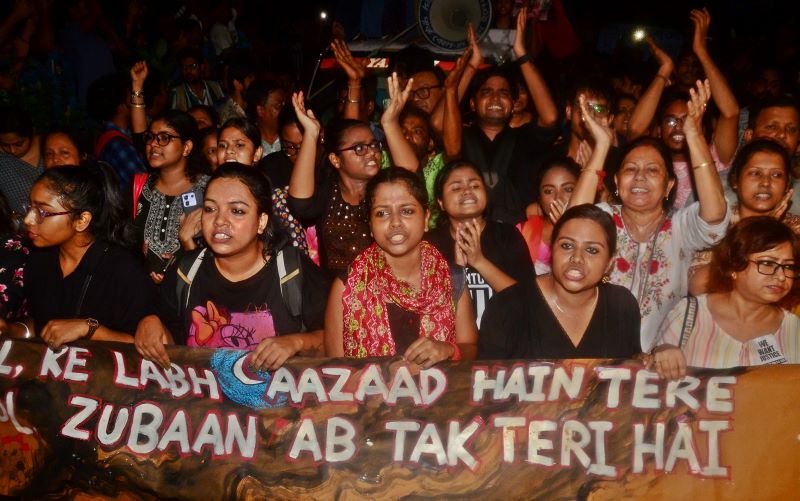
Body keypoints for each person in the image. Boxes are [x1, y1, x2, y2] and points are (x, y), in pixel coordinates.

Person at [569, 80, 730, 351]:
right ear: (617, 183)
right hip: (597, 356)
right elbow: (573, 222)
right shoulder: (604, 218)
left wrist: (694, 135)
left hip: (664, 362)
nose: (640, 176)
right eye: (631, 169)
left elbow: (714, 215)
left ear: (669, 186)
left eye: (652, 171)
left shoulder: (680, 225)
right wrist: (602, 146)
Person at [134, 164, 328, 370]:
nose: (219, 221)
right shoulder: (185, 271)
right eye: (210, 209)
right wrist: (150, 324)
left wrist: (296, 343)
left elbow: (335, 341)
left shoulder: (291, 270)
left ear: (261, 221)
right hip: (205, 399)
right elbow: (172, 350)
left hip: (278, 400)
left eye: (236, 211)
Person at [324, 167, 477, 365]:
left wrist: (448, 349)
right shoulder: (346, 286)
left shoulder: (452, 278)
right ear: (370, 225)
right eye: (382, 213)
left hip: (440, 394)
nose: (395, 222)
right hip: (370, 396)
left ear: (426, 218)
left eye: (407, 211)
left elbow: (471, 349)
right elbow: (337, 370)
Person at [288, 74, 419, 275]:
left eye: (373, 145)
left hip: (385, 291)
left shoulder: (385, 189)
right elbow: (300, 204)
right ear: (335, 159)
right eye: (359, 148)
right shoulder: (328, 190)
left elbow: (409, 173)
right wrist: (311, 134)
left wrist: (390, 123)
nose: (371, 153)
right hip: (336, 296)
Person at [479, 204, 641, 359]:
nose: (577, 258)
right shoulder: (506, 307)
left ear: (609, 263)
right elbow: (485, 382)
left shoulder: (622, 306)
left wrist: (658, 356)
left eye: (592, 250)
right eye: (567, 245)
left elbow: (633, 372)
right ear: (552, 250)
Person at [21, 166, 155, 348]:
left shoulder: (124, 272)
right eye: (30, 207)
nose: (28, 219)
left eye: (43, 212)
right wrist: (14, 329)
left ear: (81, 220)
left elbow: (147, 349)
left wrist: (89, 329)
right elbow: (41, 325)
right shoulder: (39, 260)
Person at [652, 217, 800, 378]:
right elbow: (650, 379)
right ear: (733, 267)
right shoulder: (690, 313)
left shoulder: (794, 330)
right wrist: (662, 352)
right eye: (767, 263)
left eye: (788, 266)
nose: (781, 276)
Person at [458, 7, 559, 223]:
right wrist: (473, 64)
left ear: (513, 105)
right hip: (467, 235)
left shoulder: (525, 139)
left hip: (519, 241)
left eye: (503, 93)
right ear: (473, 104)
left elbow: (550, 118)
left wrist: (521, 53)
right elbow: (439, 122)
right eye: (486, 92)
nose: (495, 98)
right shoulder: (459, 138)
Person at [428, 161, 533, 327]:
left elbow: (528, 300)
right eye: (456, 188)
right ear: (440, 202)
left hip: (504, 344)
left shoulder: (507, 235)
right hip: (450, 346)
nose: (467, 191)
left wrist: (479, 261)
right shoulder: (430, 244)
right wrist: (458, 272)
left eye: (475, 185)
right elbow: (426, 308)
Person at [689, 139, 800, 294]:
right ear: (735, 181)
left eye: (776, 175)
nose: (765, 182)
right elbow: (698, 286)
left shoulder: (795, 229)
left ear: (787, 184)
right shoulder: (716, 225)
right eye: (755, 173)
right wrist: (758, 235)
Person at [131, 109, 211, 282]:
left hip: (192, 294)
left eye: (164, 137)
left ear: (187, 147)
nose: (153, 144)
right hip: (145, 295)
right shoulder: (138, 187)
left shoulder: (209, 191)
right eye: (151, 137)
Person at [517, 157, 581, 274]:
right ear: (539, 198)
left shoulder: (593, 232)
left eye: (568, 189)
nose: (558, 198)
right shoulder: (524, 232)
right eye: (548, 191)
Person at [88, 71, 146, 188]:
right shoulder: (117, 143)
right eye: (132, 94)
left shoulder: (108, 135)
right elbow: (146, 187)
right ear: (124, 101)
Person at [169, 47, 226, 112]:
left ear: (202, 67)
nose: (188, 71)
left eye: (192, 66)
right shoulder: (178, 93)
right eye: (184, 67)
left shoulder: (215, 86)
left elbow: (225, 109)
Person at [245, 79, 286, 156]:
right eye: (278, 106)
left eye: (285, 105)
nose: (284, 110)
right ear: (260, 110)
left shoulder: (291, 138)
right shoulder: (249, 141)